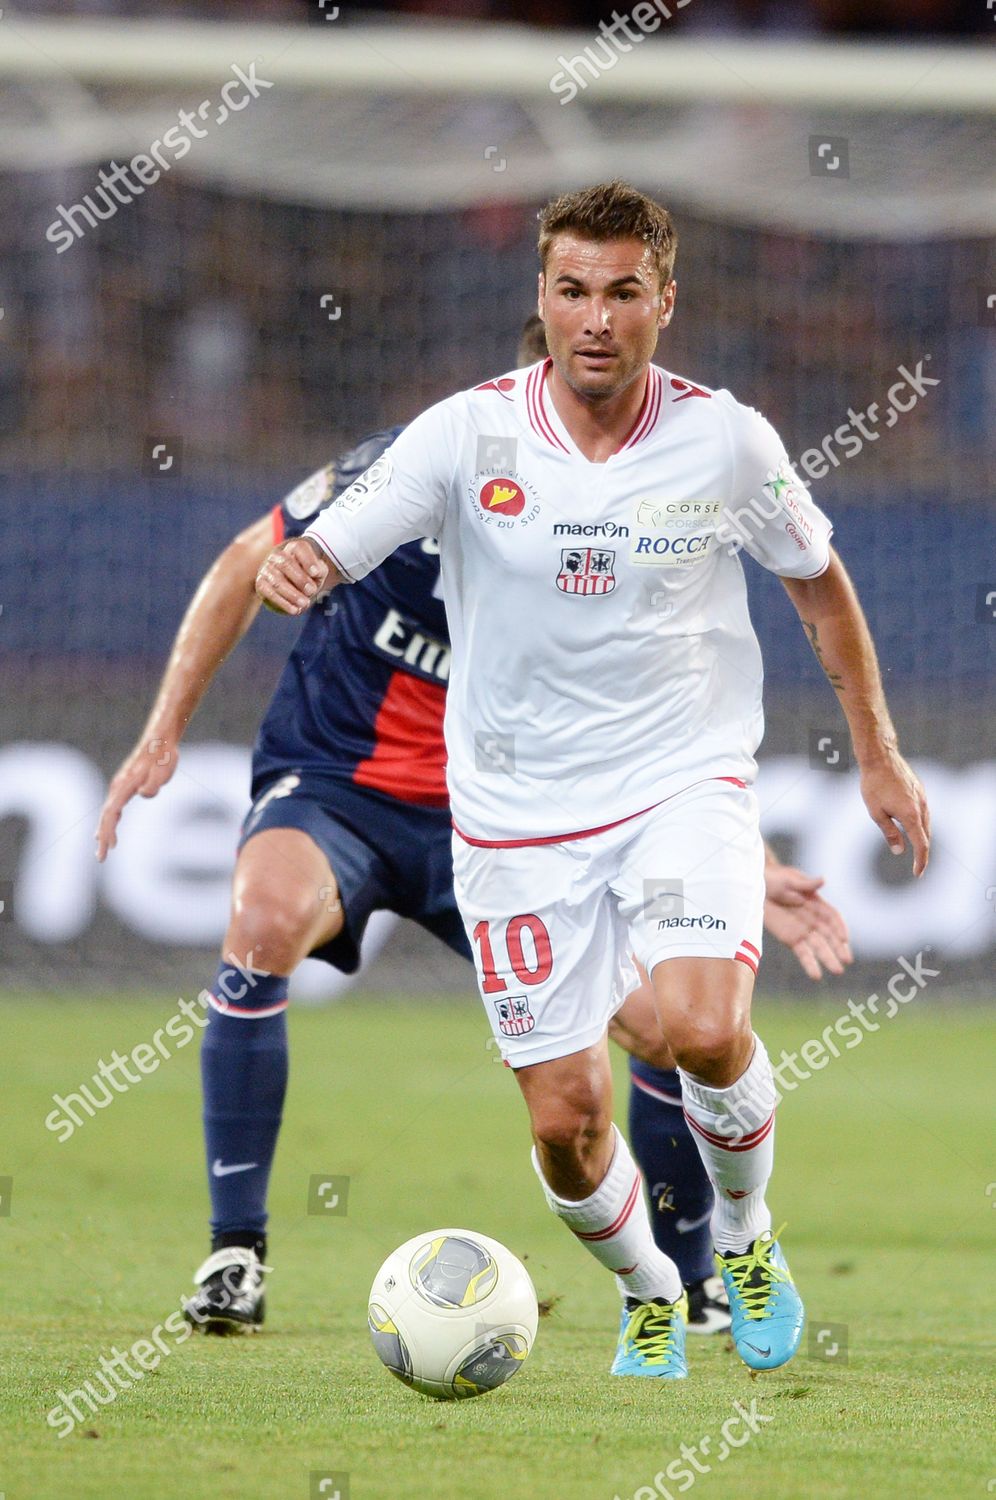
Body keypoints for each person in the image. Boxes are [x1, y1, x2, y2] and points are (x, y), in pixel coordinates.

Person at [256, 181, 929, 1381]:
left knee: (700, 1031)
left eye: (624, 292)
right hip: (514, 824)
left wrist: (876, 752)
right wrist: (300, 570)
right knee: (568, 1123)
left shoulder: (728, 439)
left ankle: (744, 1233)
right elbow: (334, 543)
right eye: (573, 290)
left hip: (684, 783)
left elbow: (818, 583)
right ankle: (648, 1287)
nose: (597, 319)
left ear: (665, 303)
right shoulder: (466, 436)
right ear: (542, 300)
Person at [98, 319, 849, 1346]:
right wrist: (160, 735)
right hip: (341, 791)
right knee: (264, 924)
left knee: (671, 1031)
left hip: (506, 815)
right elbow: (245, 559)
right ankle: (236, 1250)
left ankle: (694, 1276)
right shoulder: (400, 477)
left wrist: (742, 860)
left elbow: (658, 721)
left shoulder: (604, 550)